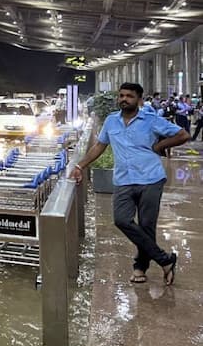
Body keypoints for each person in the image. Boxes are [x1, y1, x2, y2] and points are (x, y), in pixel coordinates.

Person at [70, 82, 190, 286]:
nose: (124, 99)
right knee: (121, 219)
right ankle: (165, 260)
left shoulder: (150, 120)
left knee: (146, 225)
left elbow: (183, 135)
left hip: (150, 178)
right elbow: (100, 145)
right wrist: (80, 166)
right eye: (122, 95)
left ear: (139, 100)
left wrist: (160, 145)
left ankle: (140, 267)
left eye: (129, 96)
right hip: (124, 179)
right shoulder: (111, 121)